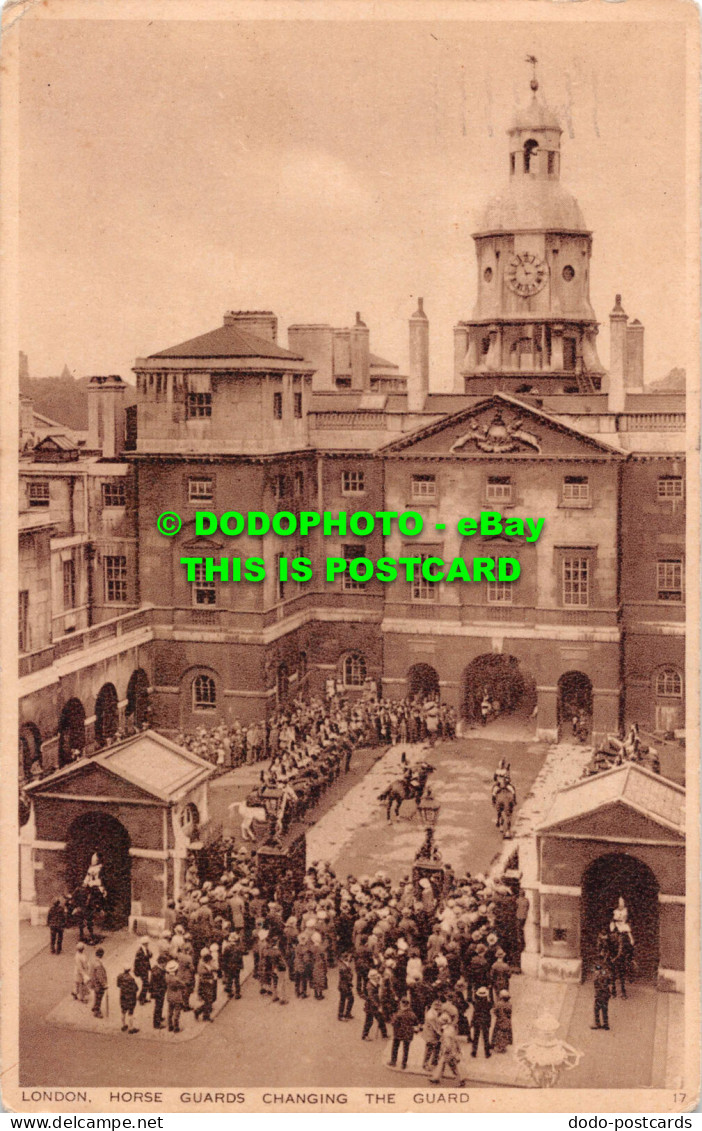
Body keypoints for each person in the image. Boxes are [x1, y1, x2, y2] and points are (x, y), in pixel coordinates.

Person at [429, 1018, 466, 1086]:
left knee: (453, 1066)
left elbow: (448, 1043)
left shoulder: (446, 1031)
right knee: (442, 1064)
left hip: (448, 1052)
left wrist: (446, 1051)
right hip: (451, 1050)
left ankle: (461, 1079)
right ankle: (436, 1077)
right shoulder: (450, 1028)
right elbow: (454, 1040)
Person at [389, 996, 418, 1070]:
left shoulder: (399, 1014)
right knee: (406, 1049)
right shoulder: (412, 1014)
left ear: (401, 1003)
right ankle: (403, 1064)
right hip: (408, 1034)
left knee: (395, 1047)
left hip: (398, 1033)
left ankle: (393, 1061)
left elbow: (393, 1023)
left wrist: (392, 1018)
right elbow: (415, 1023)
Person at [361, 969, 387, 1040]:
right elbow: (371, 997)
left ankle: (384, 1035)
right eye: (375, 975)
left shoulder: (374, 982)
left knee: (380, 1019)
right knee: (370, 1021)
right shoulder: (370, 986)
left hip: (374, 1005)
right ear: (372, 976)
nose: (377, 976)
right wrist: (378, 1006)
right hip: (371, 1006)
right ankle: (365, 1035)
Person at [471, 985, 492, 1058]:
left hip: (477, 1020)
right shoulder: (488, 1004)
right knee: (486, 1037)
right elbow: (492, 1003)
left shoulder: (476, 1003)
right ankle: (487, 1053)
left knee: (476, 1037)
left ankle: (474, 1051)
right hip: (485, 1021)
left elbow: (472, 1000)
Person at [116, 966, 139, 1034]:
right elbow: (136, 988)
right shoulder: (131, 979)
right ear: (129, 970)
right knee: (130, 1013)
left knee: (123, 1011)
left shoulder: (119, 976)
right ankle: (131, 1028)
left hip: (123, 996)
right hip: (130, 997)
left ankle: (123, 1025)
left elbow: (118, 985)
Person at [166, 959, 186, 1033]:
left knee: (170, 1011)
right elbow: (183, 985)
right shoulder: (176, 979)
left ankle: (170, 1026)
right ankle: (176, 1027)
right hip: (177, 997)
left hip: (169, 996)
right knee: (177, 1012)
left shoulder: (167, 977)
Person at [88, 947, 108, 1018]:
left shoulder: (93, 961)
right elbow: (100, 977)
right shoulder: (98, 964)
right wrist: (104, 984)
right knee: (99, 997)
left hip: (94, 982)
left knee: (97, 996)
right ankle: (97, 1011)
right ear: (102, 955)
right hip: (98, 984)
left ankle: (94, 1007)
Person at [149, 954, 168, 1029]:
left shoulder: (156, 968)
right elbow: (159, 983)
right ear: (162, 963)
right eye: (165, 963)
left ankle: (159, 1017)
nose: (166, 965)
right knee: (158, 1007)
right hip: (158, 992)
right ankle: (156, 1024)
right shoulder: (158, 972)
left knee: (159, 1006)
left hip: (159, 991)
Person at [592, 963, 611, 1030]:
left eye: (595, 970)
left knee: (596, 1009)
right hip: (606, 995)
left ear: (598, 971)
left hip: (600, 995)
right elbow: (609, 981)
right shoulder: (605, 975)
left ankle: (598, 1024)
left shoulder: (597, 978)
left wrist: (597, 995)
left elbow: (599, 987)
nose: (594, 972)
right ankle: (606, 1025)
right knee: (604, 1009)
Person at [134, 937, 152, 1005]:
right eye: (147, 943)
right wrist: (137, 972)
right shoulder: (139, 951)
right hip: (142, 970)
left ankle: (141, 997)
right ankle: (142, 999)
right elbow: (137, 963)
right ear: (145, 943)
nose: (148, 944)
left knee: (145, 984)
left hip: (145, 969)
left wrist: (148, 950)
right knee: (146, 984)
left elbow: (150, 955)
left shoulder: (145, 949)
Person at [337, 954, 354, 1021]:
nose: (350, 958)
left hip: (346, 985)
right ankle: (341, 1015)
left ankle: (347, 1013)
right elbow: (348, 976)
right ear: (345, 958)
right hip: (344, 986)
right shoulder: (343, 967)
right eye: (348, 957)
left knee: (350, 999)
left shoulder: (346, 965)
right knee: (343, 1000)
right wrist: (350, 974)